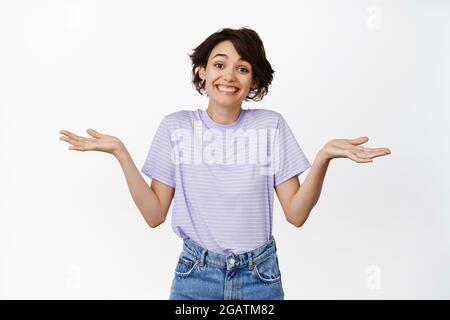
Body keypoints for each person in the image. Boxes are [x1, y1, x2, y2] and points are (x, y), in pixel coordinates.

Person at [58, 27, 391, 300]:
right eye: (219, 64)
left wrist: (323, 159)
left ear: (254, 82)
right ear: (202, 72)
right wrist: (120, 153)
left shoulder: (270, 126)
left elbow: (296, 214)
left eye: (243, 68)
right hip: (195, 277)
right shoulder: (176, 127)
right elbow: (154, 214)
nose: (229, 75)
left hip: (260, 277)